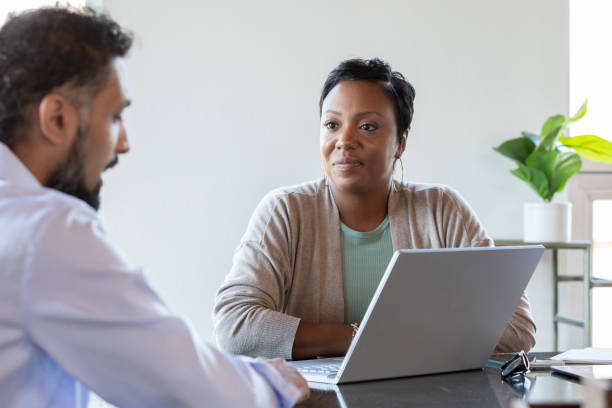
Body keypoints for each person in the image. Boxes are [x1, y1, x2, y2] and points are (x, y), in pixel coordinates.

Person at [0, 6, 308, 408]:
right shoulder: (44, 228)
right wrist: (274, 382)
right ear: (56, 118)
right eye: (113, 117)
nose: (123, 142)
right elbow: (190, 389)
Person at [213, 58, 536, 361]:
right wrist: (362, 338)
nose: (344, 140)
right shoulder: (285, 211)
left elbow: (517, 329)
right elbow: (235, 327)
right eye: (332, 124)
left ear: (401, 142)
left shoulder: (441, 209)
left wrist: (395, 341)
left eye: (367, 126)